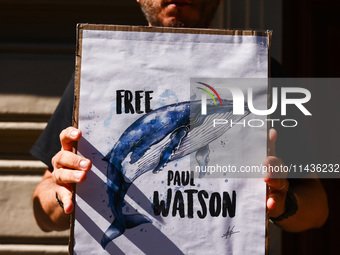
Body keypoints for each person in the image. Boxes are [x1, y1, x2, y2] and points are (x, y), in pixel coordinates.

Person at [31, 0, 328, 235]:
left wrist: (282, 204)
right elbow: (43, 214)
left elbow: (318, 207)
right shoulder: (100, 71)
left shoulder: (262, 73)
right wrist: (62, 191)